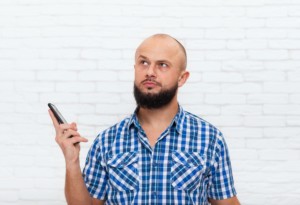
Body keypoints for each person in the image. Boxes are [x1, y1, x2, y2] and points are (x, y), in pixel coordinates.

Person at [49, 34, 240, 205]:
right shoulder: (106, 141)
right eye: (144, 63)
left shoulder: (210, 138)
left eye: (162, 65)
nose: (150, 72)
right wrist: (72, 161)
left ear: (182, 78)